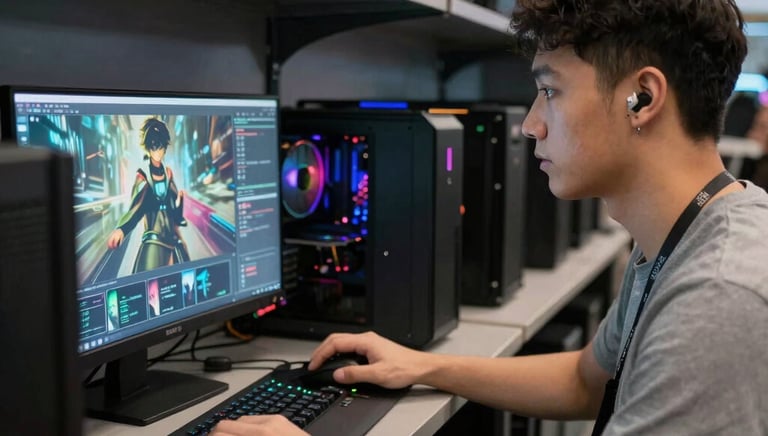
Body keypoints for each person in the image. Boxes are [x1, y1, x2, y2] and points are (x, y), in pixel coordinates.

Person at [212, 0, 768, 434]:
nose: (529, 125)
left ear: (641, 100)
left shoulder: (717, 296)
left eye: (549, 90)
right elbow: (585, 381)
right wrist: (424, 367)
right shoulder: (682, 237)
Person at [106, 117, 190, 273]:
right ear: (148, 148)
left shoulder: (168, 174)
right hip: (153, 240)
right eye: (154, 147)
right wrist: (121, 229)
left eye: (160, 147)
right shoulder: (143, 176)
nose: (157, 151)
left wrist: (179, 201)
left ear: (165, 148)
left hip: (172, 239)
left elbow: (174, 213)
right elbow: (135, 209)